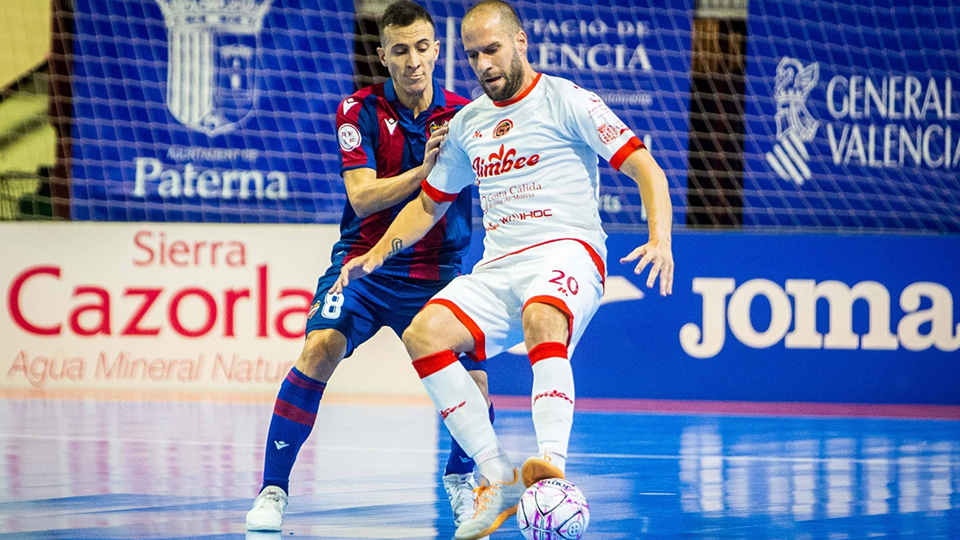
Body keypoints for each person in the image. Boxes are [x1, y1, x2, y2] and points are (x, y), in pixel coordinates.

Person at [333, 1, 675, 538]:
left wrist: (661, 239)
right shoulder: (467, 123)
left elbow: (645, 168)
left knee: (543, 317)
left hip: (567, 251)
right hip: (498, 267)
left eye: (492, 49)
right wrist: (379, 253)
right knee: (423, 335)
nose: (484, 64)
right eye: (473, 55)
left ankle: (553, 473)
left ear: (520, 42)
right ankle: (498, 477)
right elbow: (428, 204)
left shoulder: (567, 100)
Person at [245, 1, 494, 532]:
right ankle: (272, 491)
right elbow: (361, 199)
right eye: (399, 50)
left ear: (437, 50)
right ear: (383, 56)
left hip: (440, 271)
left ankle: (458, 479)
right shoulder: (356, 111)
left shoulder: (468, 115)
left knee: (474, 387)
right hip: (364, 268)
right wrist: (427, 172)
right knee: (318, 350)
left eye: (421, 48)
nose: (412, 61)